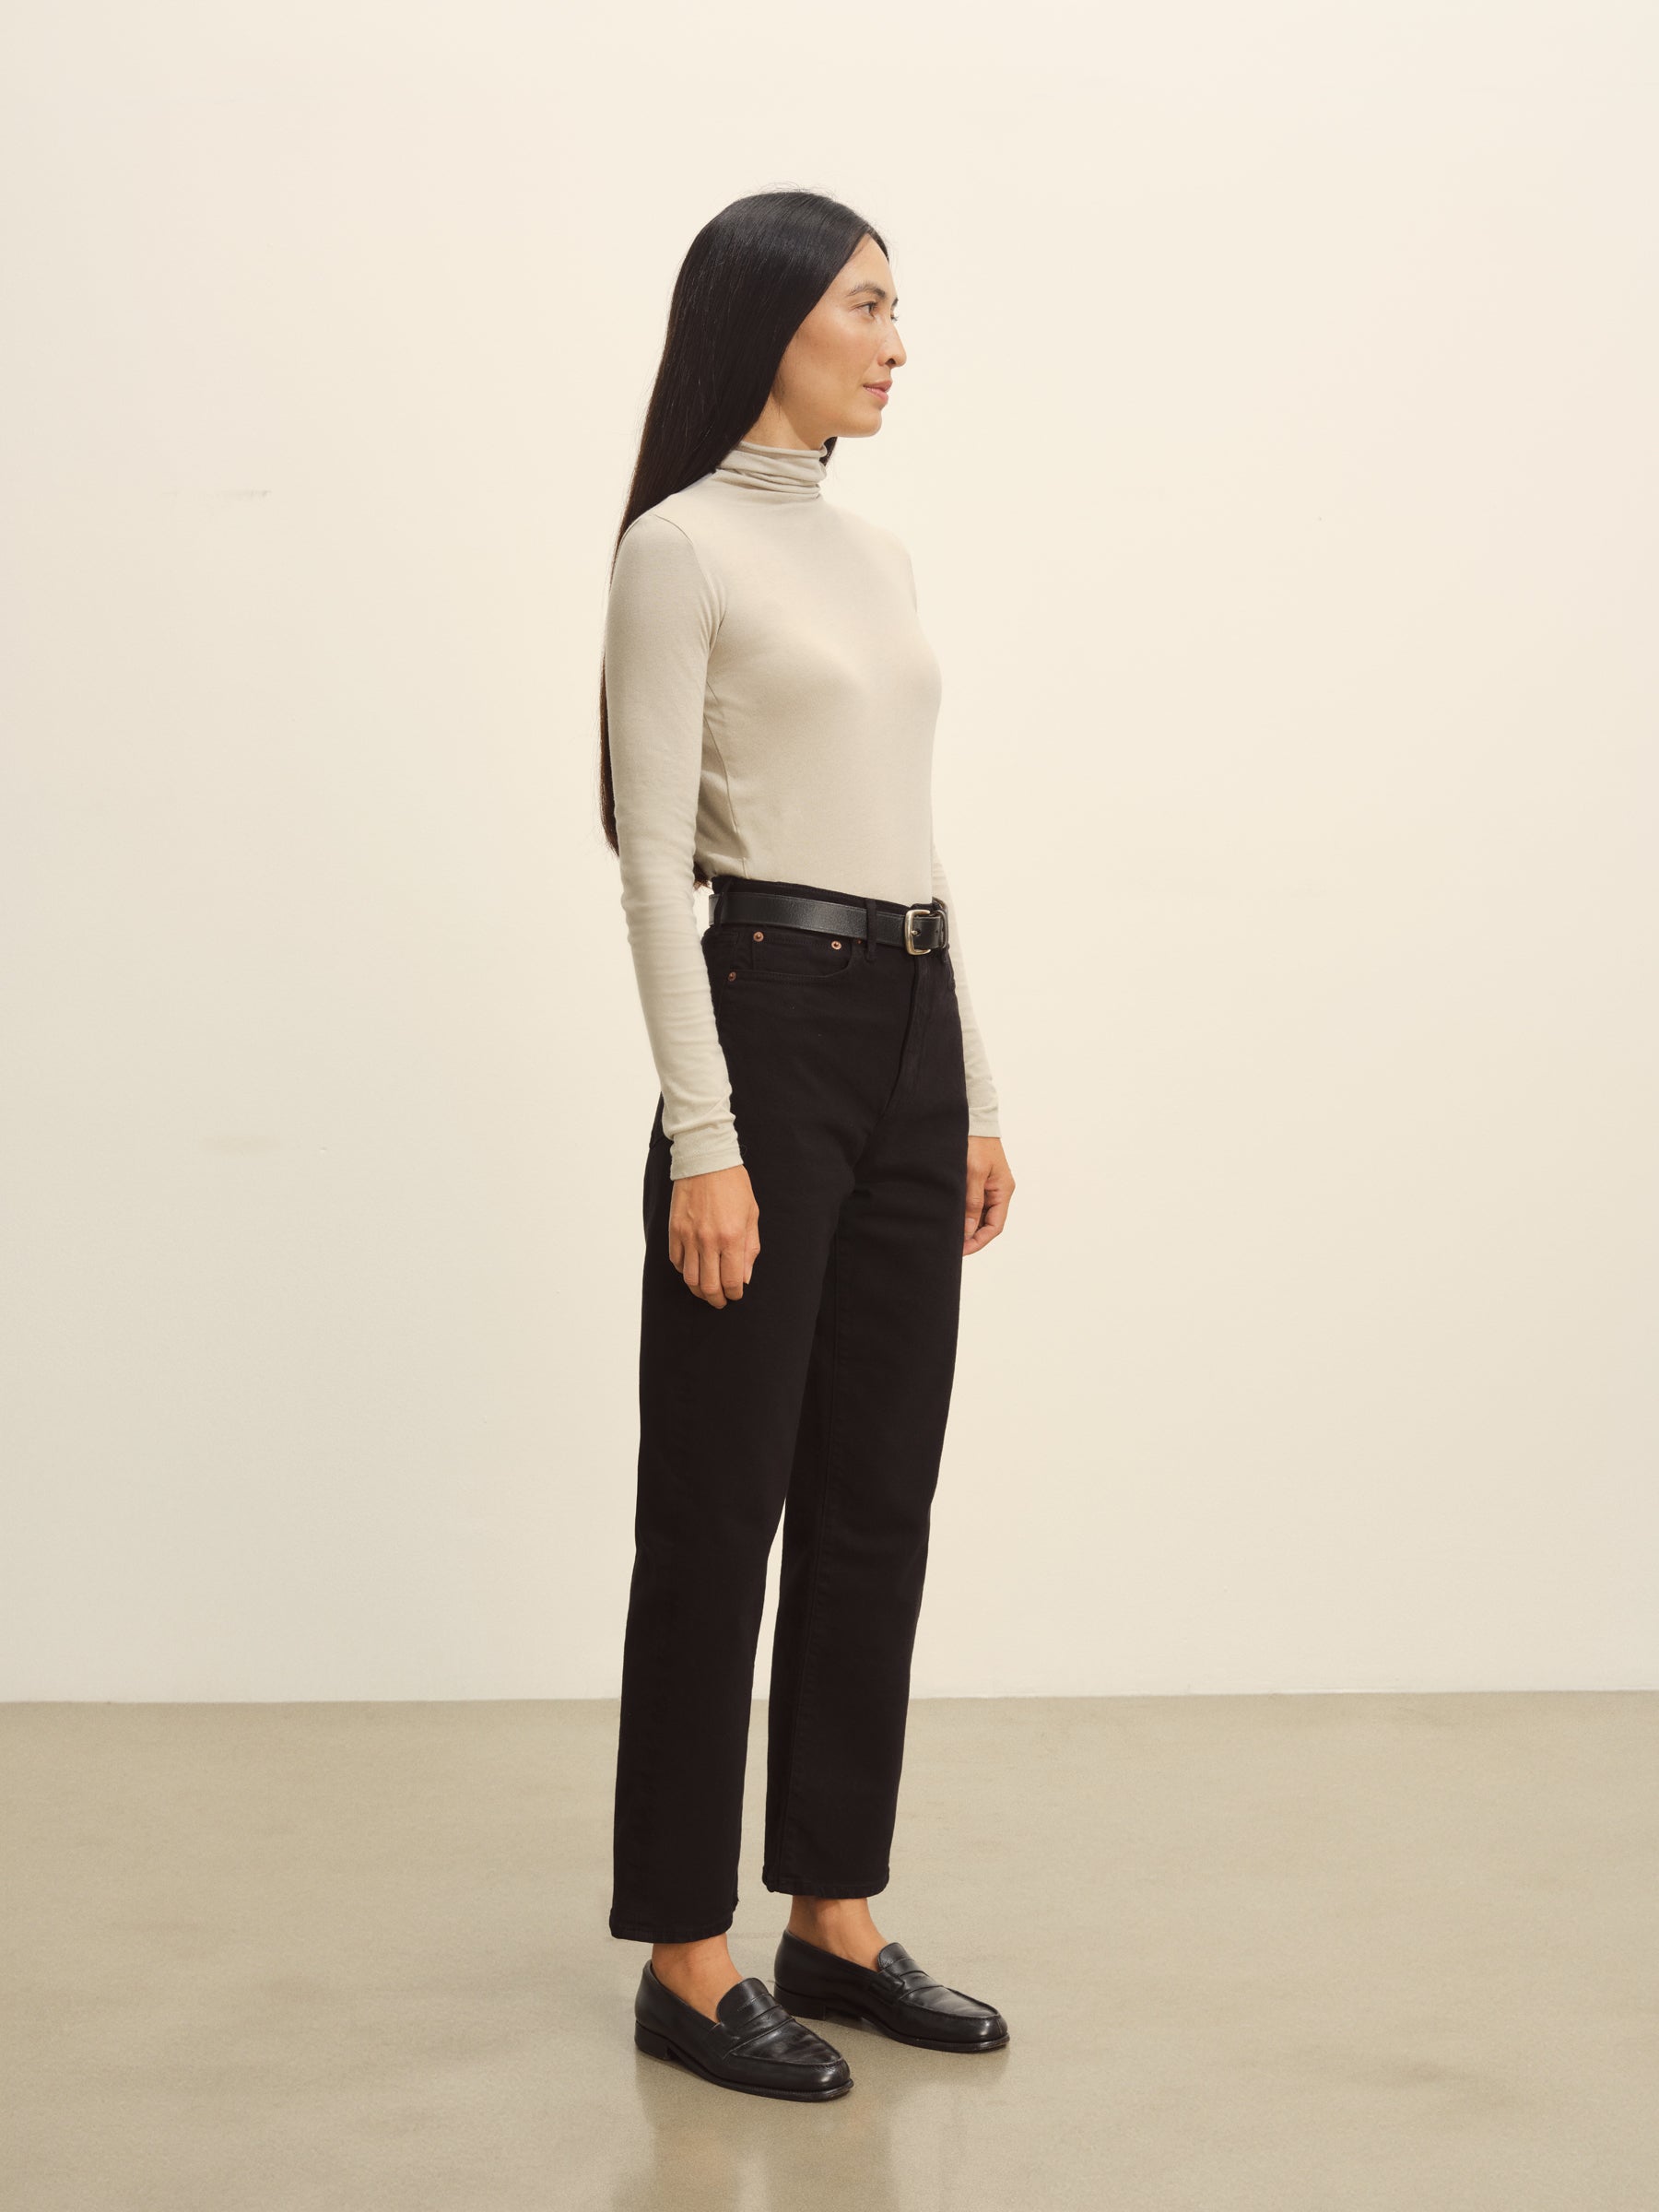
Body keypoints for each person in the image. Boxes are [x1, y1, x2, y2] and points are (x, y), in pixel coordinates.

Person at [599, 188, 1017, 2101]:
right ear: (768, 317)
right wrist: (705, 1131)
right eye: (865, 305)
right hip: (764, 1023)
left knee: (876, 1493)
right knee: (719, 1500)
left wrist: (974, 1089)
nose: (896, 343)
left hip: (908, 1023)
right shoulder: (679, 549)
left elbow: (911, 833)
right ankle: (686, 1959)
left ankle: (831, 1914)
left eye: (895, 307)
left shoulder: (880, 555)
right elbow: (652, 866)